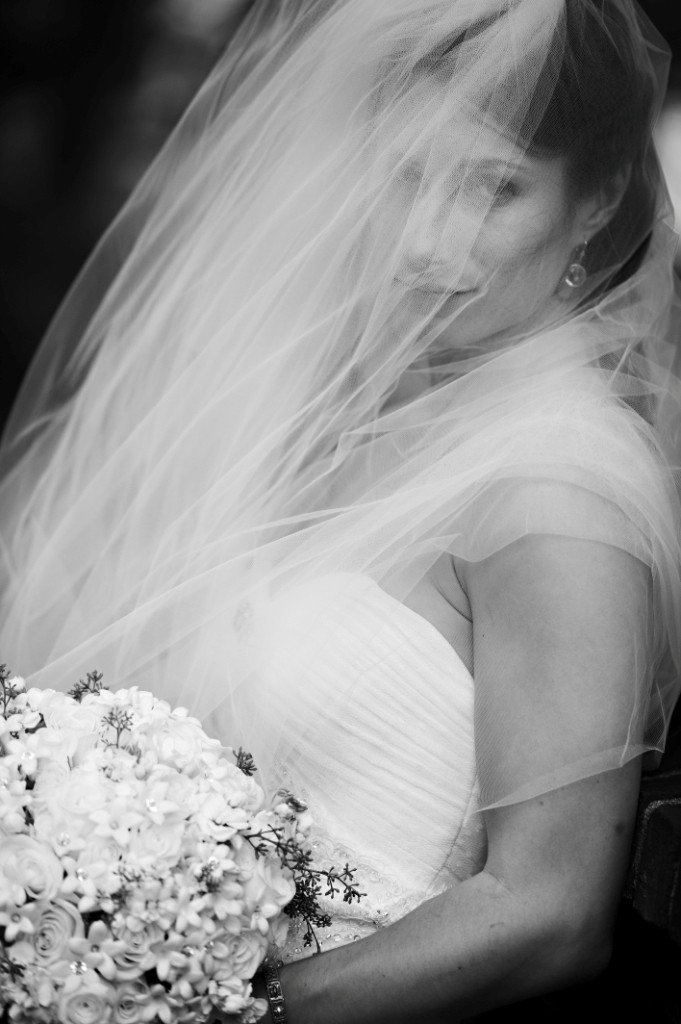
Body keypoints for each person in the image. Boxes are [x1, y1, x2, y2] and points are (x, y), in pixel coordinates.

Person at [1, 0, 681, 1020]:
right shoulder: (355, 401)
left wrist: (222, 1010)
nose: (424, 240)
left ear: (600, 196)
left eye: (493, 188)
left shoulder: (559, 492)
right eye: (406, 172)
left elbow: (549, 908)